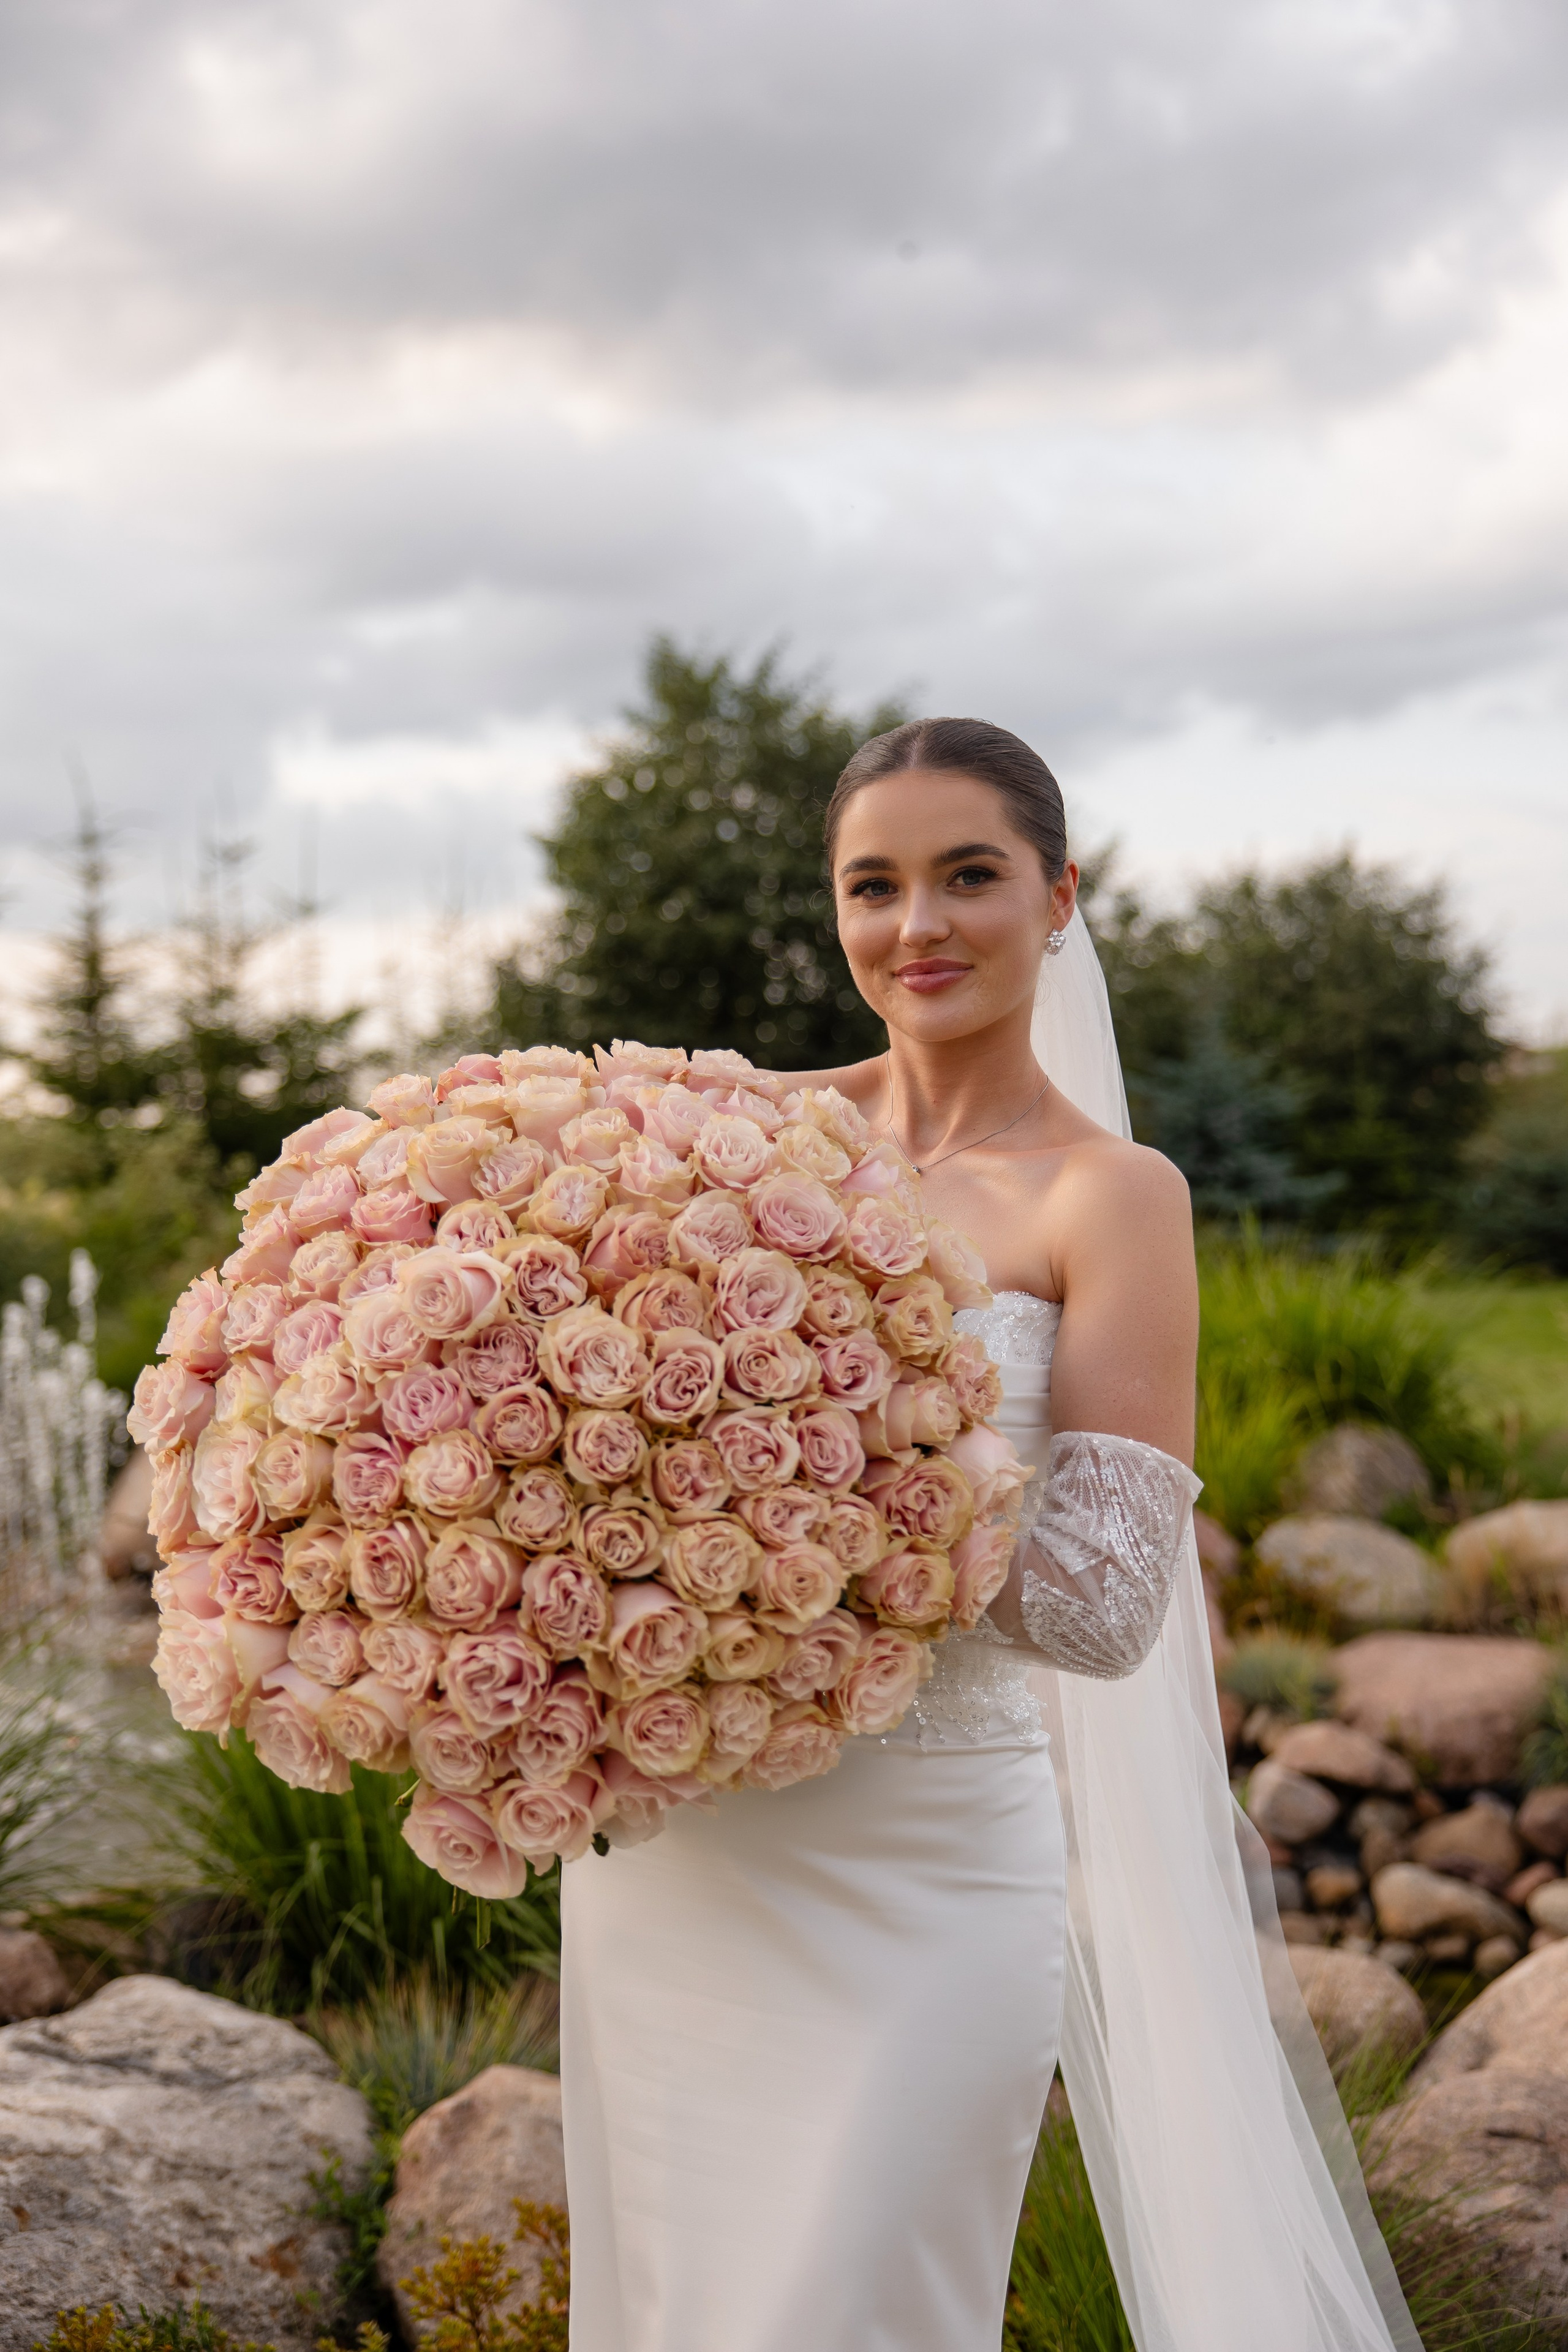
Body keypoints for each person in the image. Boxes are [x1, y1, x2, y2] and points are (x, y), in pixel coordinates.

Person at [559, 718, 1419, 2352]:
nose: (919, 926)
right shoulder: (735, 1136)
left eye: (970, 875)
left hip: (930, 1862)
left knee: (856, 2307)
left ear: (1060, 897)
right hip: (691, 1835)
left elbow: (1100, 1602)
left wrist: (810, 1502)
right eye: (872, 886)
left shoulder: (1112, 1196)